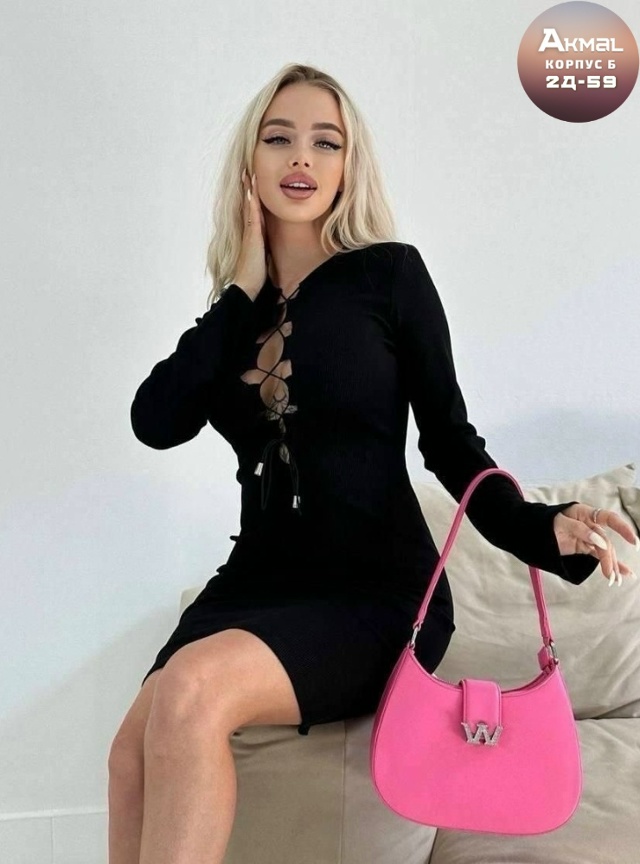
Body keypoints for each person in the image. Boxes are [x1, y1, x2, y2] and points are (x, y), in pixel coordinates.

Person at [108, 62, 638, 864]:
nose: (302, 157)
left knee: (190, 692)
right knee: (129, 756)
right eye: (278, 138)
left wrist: (540, 527)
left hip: (373, 589)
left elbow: (450, 442)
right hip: (255, 583)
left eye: (327, 142)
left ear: (348, 166)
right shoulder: (234, 316)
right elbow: (155, 422)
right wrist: (240, 290)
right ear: (249, 162)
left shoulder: (390, 275)